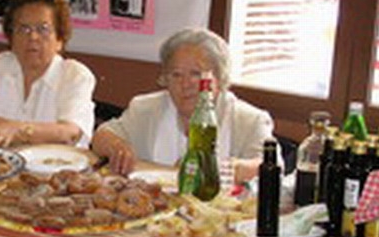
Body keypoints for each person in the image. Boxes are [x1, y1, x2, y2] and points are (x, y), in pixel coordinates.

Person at [91, 28, 276, 183]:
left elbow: (270, 167)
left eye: (195, 74)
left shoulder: (248, 119)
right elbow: (101, 136)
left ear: (219, 78)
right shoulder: (145, 109)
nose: (185, 84)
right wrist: (117, 146)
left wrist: (228, 169)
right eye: (176, 75)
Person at [0, 0, 97, 148]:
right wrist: (6, 127)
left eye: (43, 29)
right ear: (11, 38)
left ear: (60, 39)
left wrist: (17, 130)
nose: (33, 37)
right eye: (23, 29)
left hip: (56, 168)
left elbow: (69, 133)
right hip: (0, 164)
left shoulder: (75, 75)